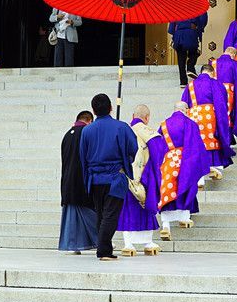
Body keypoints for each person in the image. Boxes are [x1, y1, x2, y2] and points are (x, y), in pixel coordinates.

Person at [79, 93, 138, 261]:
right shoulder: (122, 127)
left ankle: (104, 246)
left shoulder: (87, 130)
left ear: (94, 110)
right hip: (114, 178)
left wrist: (86, 179)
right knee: (111, 214)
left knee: (101, 215)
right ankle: (104, 249)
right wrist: (126, 161)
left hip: (95, 178)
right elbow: (133, 148)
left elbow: (82, 157)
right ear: (111, 108)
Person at [153, 101, 210, 241]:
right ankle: (184, 217)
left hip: (168, 161)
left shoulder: (163, 125)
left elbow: (159, 146)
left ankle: (165, 225)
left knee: (167, 189)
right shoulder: (190, 123)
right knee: (185, 185)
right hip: (185, 159)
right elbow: (196, 147)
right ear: (185, 110)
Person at [117, 104, 162, 257]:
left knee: (127, 208)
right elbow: (159, 153)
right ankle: (148, 243)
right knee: (144, 206)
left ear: (132, 116)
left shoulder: (122, 130)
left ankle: (128, 244)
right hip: (144, 176)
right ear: (147, 118)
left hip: (124, 176)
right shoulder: (149, 133)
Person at [181, 64, 235, 182]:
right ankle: (215, 167)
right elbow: (221, 105)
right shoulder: (214, 83)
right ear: (212, 73)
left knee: (197, 145)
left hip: (193, 117)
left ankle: (199, 180)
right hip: (210, 117)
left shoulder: (189, 86)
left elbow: (183, 105)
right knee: (213, 142)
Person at [58, 110, 97, 254]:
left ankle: (74, 245)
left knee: (73, 217)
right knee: (89, 213)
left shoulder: (67, 135)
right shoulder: (85, 133)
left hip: (68, 181)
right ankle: (101, 240)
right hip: (81, 180)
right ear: (89, 121)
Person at [211, 47, 237, 144]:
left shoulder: (213, 63)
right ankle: (227, 138)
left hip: (215, 92)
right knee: (227, 113)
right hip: (229, 92)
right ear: (234, 55)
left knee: (216, 113)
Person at [168, 12, 208, 88]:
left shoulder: (177, 7)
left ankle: (183, 82)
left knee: (181, 58)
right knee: (194, 52)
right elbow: (203, 19)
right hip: (191, 32)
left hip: (178, 33)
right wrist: (199, 28)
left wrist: (173, 34)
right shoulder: (198, 5)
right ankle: (190, 67)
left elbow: (172, 24)